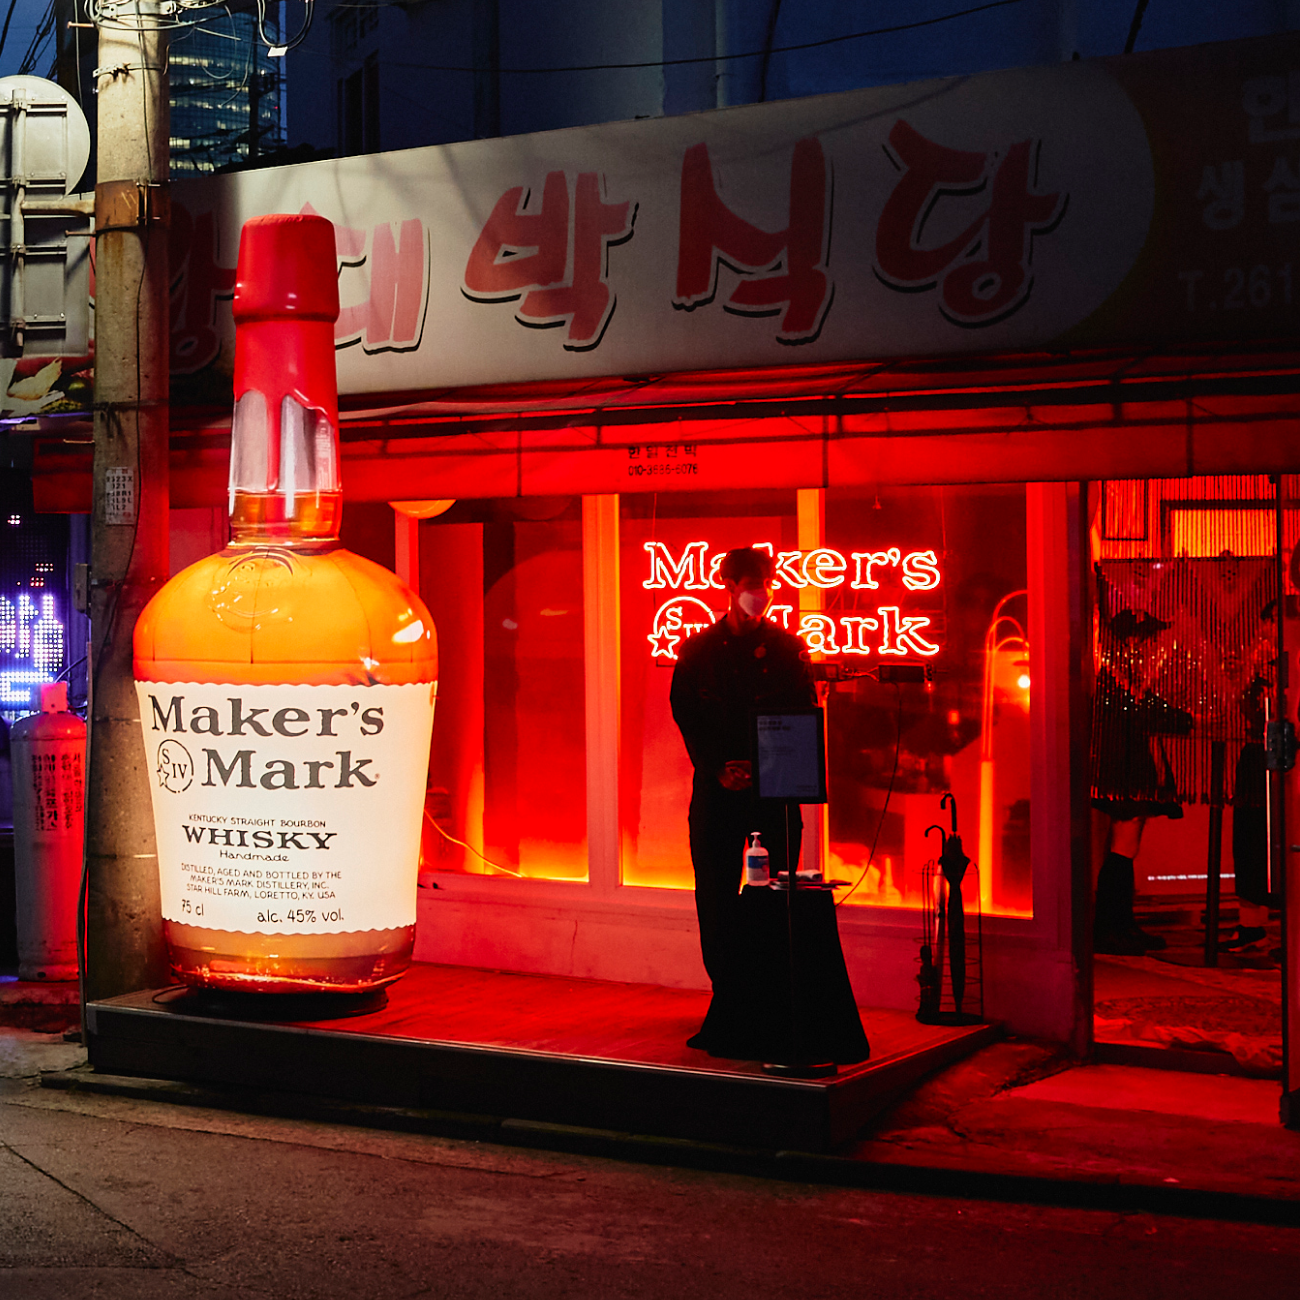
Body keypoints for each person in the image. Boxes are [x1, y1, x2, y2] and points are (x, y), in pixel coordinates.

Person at [669, 547, 816, 1005]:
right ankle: (728, 992)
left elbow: (801, 715)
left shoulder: (787, 650)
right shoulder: (699, 652)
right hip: (720, 791)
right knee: (715, 892)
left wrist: (763, 766)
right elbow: (687, 715)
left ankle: (768, 991)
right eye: (752, 586)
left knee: (776, 892)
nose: (762, 595)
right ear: (729, 588)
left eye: (765, 586)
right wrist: (717, 767)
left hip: (771, 792)